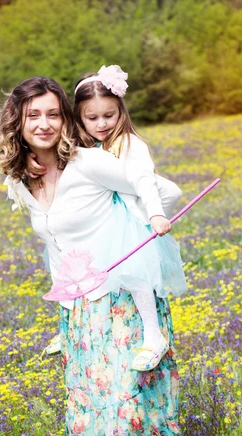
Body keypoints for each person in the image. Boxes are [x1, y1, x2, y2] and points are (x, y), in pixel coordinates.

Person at [0, 75, 189, 436]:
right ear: (19, 122)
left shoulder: (86, 162)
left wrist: (148, 224)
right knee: (94, 406)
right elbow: (55, 246)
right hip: (80, 310)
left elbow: (155, 185)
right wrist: (63, 306)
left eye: (52, 114)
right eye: (33, 115)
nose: (44, 124)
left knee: (131, 403)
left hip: (122, 300)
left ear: (65, 119)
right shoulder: (20, 179)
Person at [31, 66, 186, 369]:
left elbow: (162, 188)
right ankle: (67, 328)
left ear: (121, 112)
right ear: (78, 118)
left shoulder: (129, 143)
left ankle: (153, 336)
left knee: (135, 278)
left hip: (130, 225)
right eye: (92, 118)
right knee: (65, 259)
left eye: (109, 116)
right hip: (105, 225)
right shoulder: (88, 148)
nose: (101, 124)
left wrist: (151, 216)